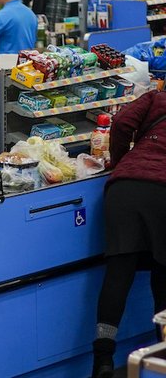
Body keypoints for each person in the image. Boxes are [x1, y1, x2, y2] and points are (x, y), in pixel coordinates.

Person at [90, 91, 166, 378]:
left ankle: (103, 362)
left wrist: (122, 161)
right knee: (163, 277)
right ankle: (162, 359)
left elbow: (121, 122)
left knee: (118, 275)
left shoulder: (155, 98)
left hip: (125, 189)